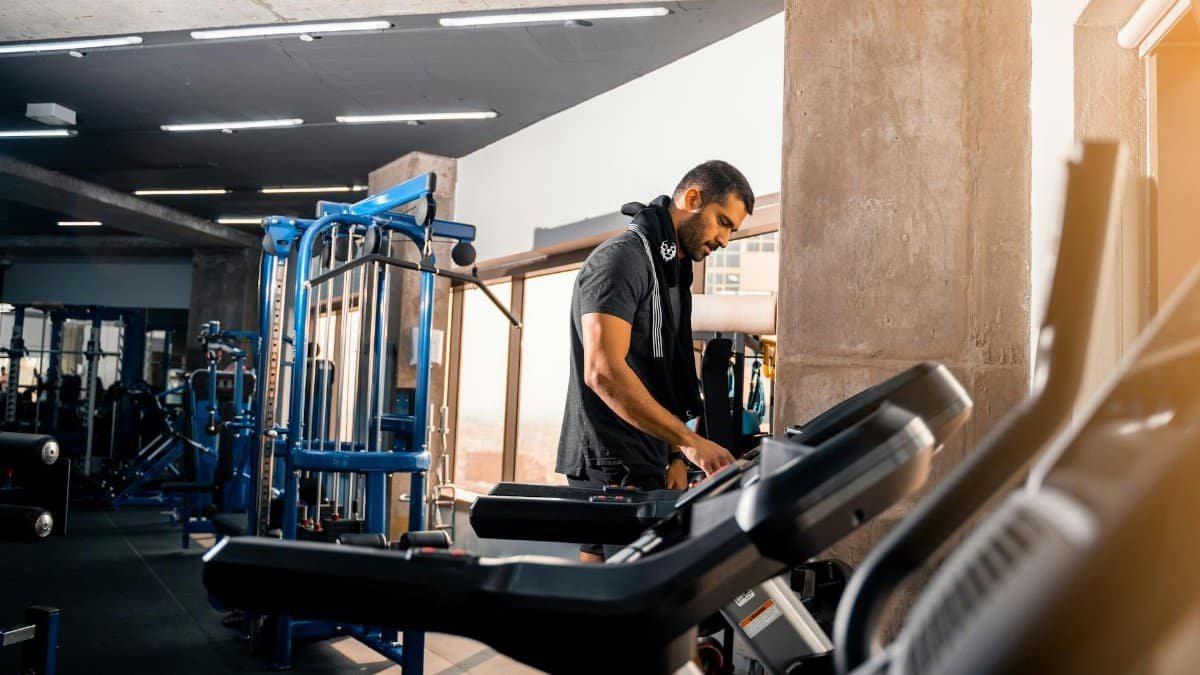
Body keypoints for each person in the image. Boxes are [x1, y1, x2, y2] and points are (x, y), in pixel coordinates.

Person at [555, 160, 755, 561]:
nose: (725, 240)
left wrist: (675, 454)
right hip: (612, 458)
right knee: (631, 601)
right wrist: (691, 442)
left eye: (732, 229)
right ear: (693, 198)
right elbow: (603, 372)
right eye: (723, 222)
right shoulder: (622, 259)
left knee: (600, 589)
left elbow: (657, 374)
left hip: (645, 456)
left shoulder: (672, 273)